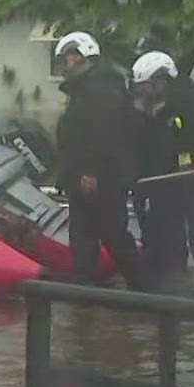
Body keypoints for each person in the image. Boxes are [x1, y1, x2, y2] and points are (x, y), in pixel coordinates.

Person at [53, 31, 146, 290]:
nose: (65, 64)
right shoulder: (90, 86)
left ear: (82, 56)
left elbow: (100, 132)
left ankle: (143, 288)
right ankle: (87, 287)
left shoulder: (100, 86)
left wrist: (90, 172)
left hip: (100, 177)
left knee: (110, 233)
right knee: (87, 235)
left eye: (69, 57)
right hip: (89, 176)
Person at [129, 51, 194, 292]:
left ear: (162, 81)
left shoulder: (191, 103)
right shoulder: (150, 107)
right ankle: (170, 278)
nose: (143, 93)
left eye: (147, 86)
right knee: (164, 231)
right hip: (164, 178)